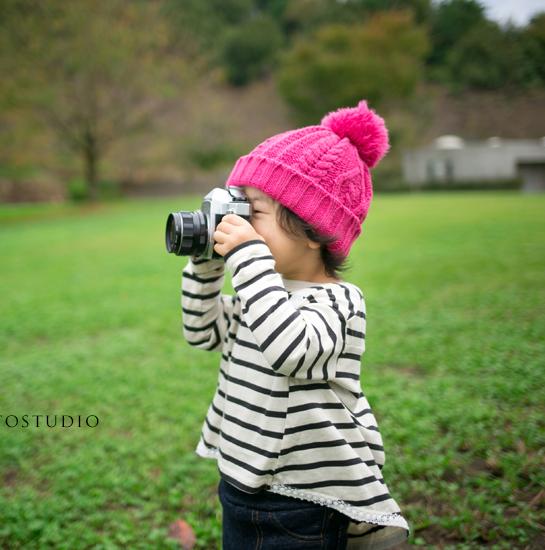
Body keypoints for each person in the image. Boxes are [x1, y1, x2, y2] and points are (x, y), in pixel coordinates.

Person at [180, 101, 409, 550]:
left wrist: (247, 260)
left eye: (254, 213)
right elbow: (202, 330)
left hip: (301, 499)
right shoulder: (260, 293)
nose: (237, 224)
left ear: (312, 230)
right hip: (240, 478)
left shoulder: (338, 301)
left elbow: (292, 351)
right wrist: (206, 264)